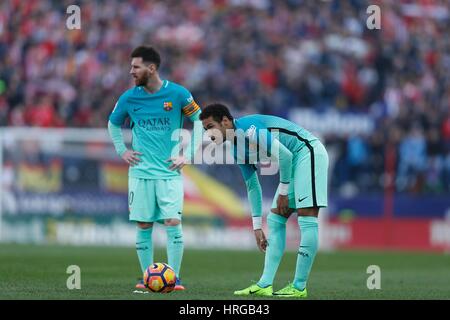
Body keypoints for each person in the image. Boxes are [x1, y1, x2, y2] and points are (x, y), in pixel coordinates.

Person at [200, 103, 328, 298]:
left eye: (210, 127)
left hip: (308, 152)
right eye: (205, 129)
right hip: (294, 161)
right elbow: (252, 185)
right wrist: (256, 226)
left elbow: (284, 155)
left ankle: (299, 287)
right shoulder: (236, 149)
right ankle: (265, 284)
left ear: (225, 121)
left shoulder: (249, 130)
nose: (208, 134)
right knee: (275, 220)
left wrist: (284, 191)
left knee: (307, 216)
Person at [108, 46, 203, 291]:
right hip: (140, 172)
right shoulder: (129, 98)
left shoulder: (179, 94)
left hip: (169, 172)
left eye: (135, 67)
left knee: (172, 222)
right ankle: (146, 278)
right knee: (143, 225)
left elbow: (200, 122)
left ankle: (175, 279)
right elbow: (113, 123)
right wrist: (122, 151)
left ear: (151, 68)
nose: (131, 71)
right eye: (131, 66)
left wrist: (188, 155)